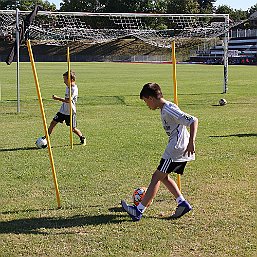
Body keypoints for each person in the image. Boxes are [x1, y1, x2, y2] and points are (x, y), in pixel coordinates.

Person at [121, 82, 198, 221]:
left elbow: (193, 120)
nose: (147, 105)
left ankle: (138, 211)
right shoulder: (164, 109)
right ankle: (182, 203)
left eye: (146, 101)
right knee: (163, 177)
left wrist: (192, 142)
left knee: (156, 177)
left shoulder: (169, 109)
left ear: (151, 98)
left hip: (176, 148)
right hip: (177, 146)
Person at [44, 70, 86, 145]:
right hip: (62, 110)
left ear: (71, 79)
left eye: (65, 79)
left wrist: (57, 98)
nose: (64, 82)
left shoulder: (73, 89)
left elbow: (68, 101)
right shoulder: (67, 87)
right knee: (53, 123)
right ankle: (46, 138)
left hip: (70, 112)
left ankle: (82, 137)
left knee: (73, 129)